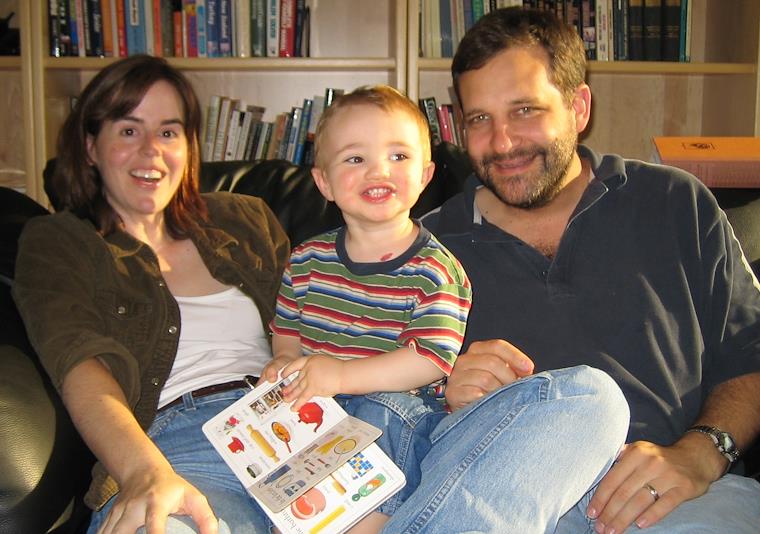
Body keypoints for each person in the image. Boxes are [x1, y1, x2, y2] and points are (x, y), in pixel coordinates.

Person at [421, 6, 760, 533]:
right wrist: (439, 395)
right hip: (510, 504)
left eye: (524, 110)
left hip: (675, 498)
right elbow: (377, 410)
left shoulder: (675, 204)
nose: (502, 143)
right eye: (479, 119)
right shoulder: (423, 250)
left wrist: (701, 452)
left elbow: (749, 355)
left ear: (578, 108)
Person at [12, 55, 289, 533]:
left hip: (297, 423)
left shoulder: (246, 218)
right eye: (128, 130)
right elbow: (78, 362)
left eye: (167, 132)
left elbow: (317, 319)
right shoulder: (61, 242)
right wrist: (144, 472)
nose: (151, 151)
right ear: (90, 146)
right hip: (181, 448)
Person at [262, 85, 472, 531]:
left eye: (398, 156)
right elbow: (288, 331)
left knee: (382, 410)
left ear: (425, 175)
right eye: (356, 158)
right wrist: (284, 361)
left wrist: (341, 376)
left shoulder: (436, 269)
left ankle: (368, 524)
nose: (379, 170)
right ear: (324, 182)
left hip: (398, 418)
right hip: (319, 411)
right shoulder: (306, 260)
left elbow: (429, 361)